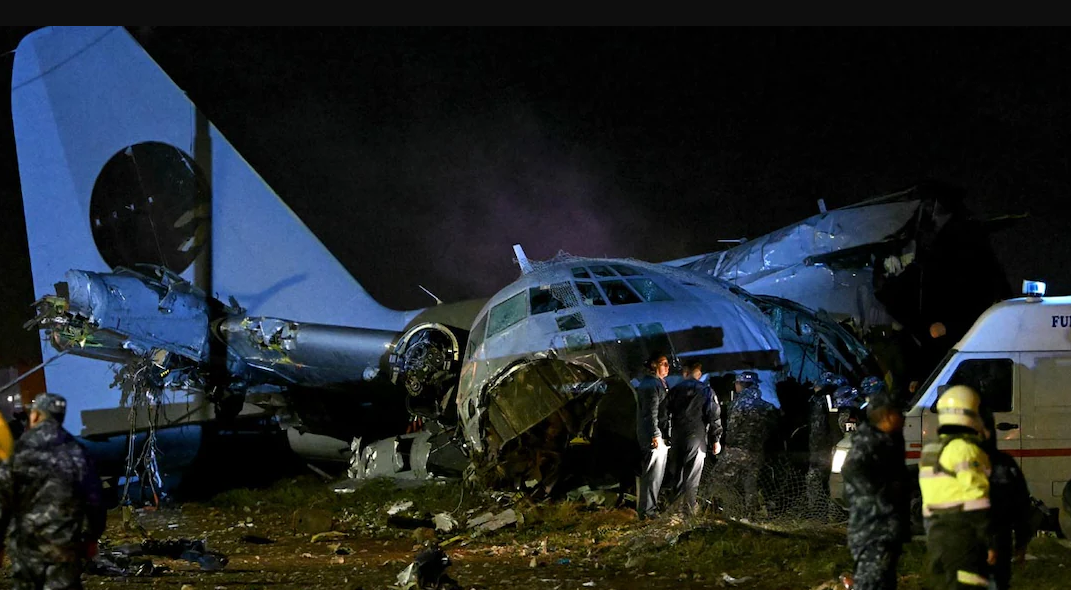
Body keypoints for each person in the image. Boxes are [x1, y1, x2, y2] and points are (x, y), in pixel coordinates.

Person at [0, 393, 107, 590]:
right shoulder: (76, 451)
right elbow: (95, 501)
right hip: (63, 548)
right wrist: (92, 538)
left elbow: (3, 499)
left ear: (35, 416)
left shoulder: (19, 451)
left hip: (25, 548)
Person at [919, 385, 996, 589]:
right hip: (963, 535)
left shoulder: (930, 451)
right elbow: (977, 501)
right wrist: (990, 542)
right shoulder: (966, 450)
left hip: (936, 535)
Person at [842, 385, 910, 590]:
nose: (903, 417)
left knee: (884, 582)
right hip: (873, 529)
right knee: (871, 583)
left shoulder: (890, 440)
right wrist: (884, 499)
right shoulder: (869, 442)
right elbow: (853, 470)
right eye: (899, 412)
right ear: (887, 416)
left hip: (886, 528)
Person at [979, 409, 1033, 590]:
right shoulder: (963, 464)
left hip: (998, 543)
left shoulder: (1004, 464)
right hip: (971, 546)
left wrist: (1021, 543)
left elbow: (1021, 504)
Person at [666, 360, 723, 517]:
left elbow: (663, 413)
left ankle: (674, 511)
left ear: (685, 372)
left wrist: (665, 434)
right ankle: (689, 511)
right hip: (696, 437)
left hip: (677, 436)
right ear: (698, 373)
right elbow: (714, 416)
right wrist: (716, 439)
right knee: (692, 475)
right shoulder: (706, 391)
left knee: (677, 474)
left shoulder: (675, 390)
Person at [719, 371, 779, 518]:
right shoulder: (765, 406)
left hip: (737, 449)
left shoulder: (739, 403)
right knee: (750, 482)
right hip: (757, 450)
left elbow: (733, 426)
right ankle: (750, 514)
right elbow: (773, 427)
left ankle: (725, 511)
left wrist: (728, 444)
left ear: (740, 384)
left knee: (722, 479)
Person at [806, 372, 848, 517]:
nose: (815, 389)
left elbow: (818, 428)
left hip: (822, 447)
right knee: (833, 480)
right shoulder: (837, 399)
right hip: (833, 447)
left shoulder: (820, 400)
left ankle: (818, 512)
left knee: (818, 479)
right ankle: (832, 514)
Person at [635, 352, 670, 521]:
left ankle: (649, 509)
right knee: (652, 474)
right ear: (654, 365)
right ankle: (647, 512)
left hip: (658, 434)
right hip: (654, 436)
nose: (667, 367)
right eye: (664, 363)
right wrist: (655, 434)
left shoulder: (657, 383)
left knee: (655, 474)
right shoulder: (651, 384)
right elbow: (650, 412)